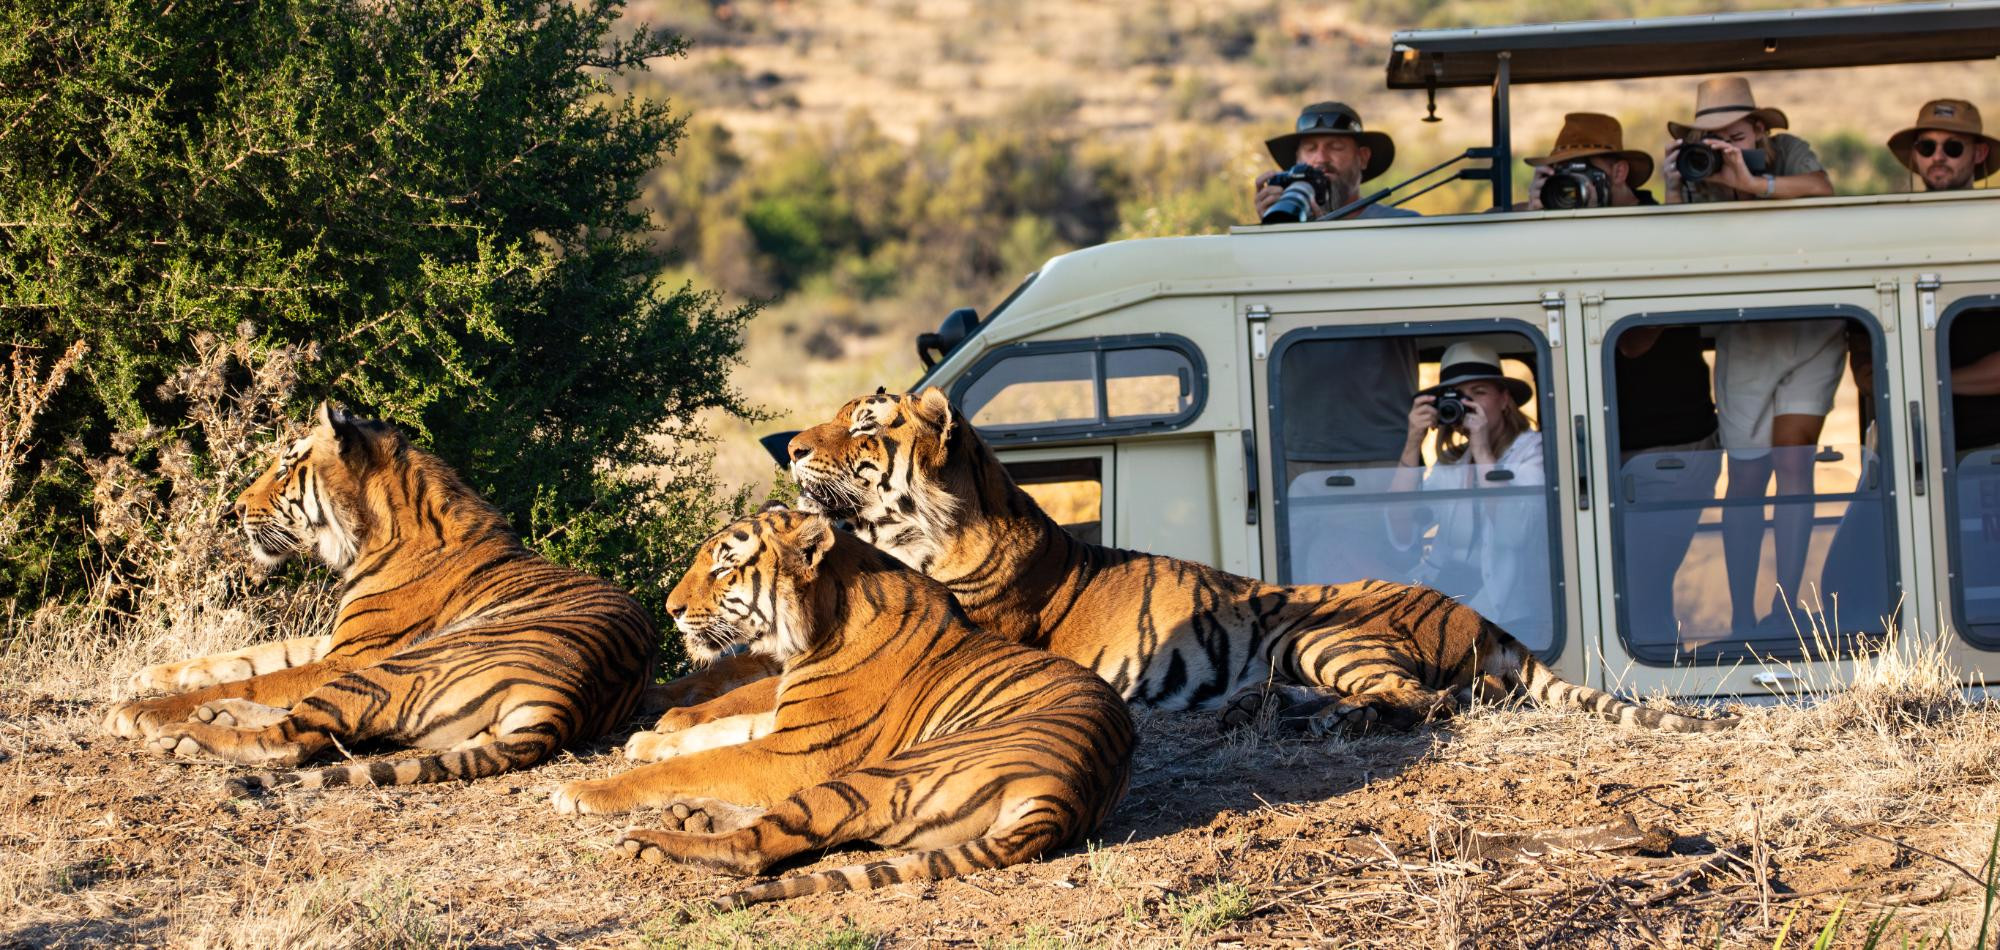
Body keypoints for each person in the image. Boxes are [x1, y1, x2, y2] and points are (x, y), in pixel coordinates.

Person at [1386, 342, 1549, 634]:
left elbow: (1514, 533)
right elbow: (1402, 530)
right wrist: (1412, 442)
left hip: (1509, 611)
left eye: (1480, 393)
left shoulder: (1533, 452)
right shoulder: (1453, 464)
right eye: (1461, 397)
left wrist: (1482, 451)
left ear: (1504, 399)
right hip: (1449, 601)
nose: (1469, 403)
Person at [1712, 319, 1847, 630]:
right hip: (1748, 329)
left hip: (1816, 326)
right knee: (1746, 474)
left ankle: (1784, 607)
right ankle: (1741, 616)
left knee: (1794, 460)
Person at [1611, 326, 1721, 647]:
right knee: (1646, 581)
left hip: (1670, 451)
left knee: (1648, 580)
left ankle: (1657, 660)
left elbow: (1632, 343)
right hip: (1644, 448)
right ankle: (1658, 657)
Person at [1662, 77, 1833, 204]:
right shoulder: (1695, 161)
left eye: (1736, 138)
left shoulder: (1785, 149)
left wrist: (1752, 184)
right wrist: (1673, 188)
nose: (1726, 148)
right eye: (1713, 140)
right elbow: (1674, 238)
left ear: (1759, 130)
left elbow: (1822, 187)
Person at [1253, 102, 1419, 221]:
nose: (1321, 159)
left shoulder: (1403, 225)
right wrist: (1273, 226)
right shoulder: (1286, 226)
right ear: (1297, 161)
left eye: (1336, 147)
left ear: (1362, 158)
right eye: (1311, 149)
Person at [1524, 113, 1660, 209]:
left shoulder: (1651, 222)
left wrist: (1592, 218)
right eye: (1563, 172)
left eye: (1581, 170)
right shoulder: (1558, 211)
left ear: (1619, 172)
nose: (1570, 187)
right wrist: (1536, 213)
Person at [1887, 98, 1996, 192]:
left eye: (1952, 147)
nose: (1938, 157)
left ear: (1979, 153)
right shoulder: (1896, 215)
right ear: (1915, 153)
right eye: (1926, 147)